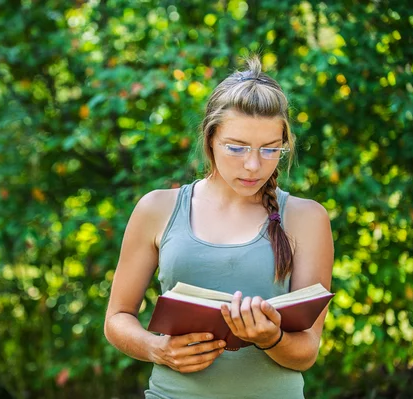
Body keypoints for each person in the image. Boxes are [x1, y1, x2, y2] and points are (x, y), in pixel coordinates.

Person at [104, 54, 334, 399]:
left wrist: (270, 338)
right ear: (211, 138)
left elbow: (307, 351)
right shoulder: (157, 209)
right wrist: (157, 349)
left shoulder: (307, 218)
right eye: (237, 148)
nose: (254, 165)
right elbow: (117, 318)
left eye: (271, 150)